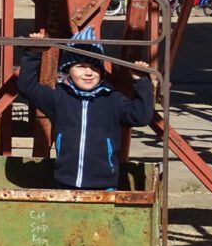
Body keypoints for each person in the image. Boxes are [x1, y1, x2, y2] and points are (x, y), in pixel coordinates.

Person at [19, 26, 155, 190]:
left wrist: (142, 81)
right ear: (68, 70)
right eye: (81, 66)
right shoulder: (59, 98)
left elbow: (141, 117)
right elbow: (27, 87)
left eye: (94, 67)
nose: (88, 73)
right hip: (65, 184)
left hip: (105, 186)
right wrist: (33, 53)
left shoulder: (112, 99)